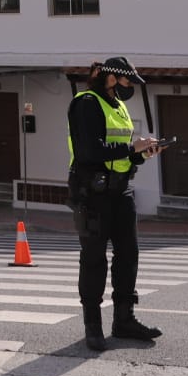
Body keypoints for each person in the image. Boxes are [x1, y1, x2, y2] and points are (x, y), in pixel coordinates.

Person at [67, 56, 168, 352]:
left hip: (121, 192)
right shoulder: (86, 103)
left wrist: (142, 153)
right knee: (94, 258)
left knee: (128, 256)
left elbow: (120, 153)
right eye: (128, 81)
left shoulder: (118, 106)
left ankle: (124, 319)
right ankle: (93, 325)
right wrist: (129, 148)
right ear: (112, 78)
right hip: (93, 192)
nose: (130, 88)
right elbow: (89, 151)